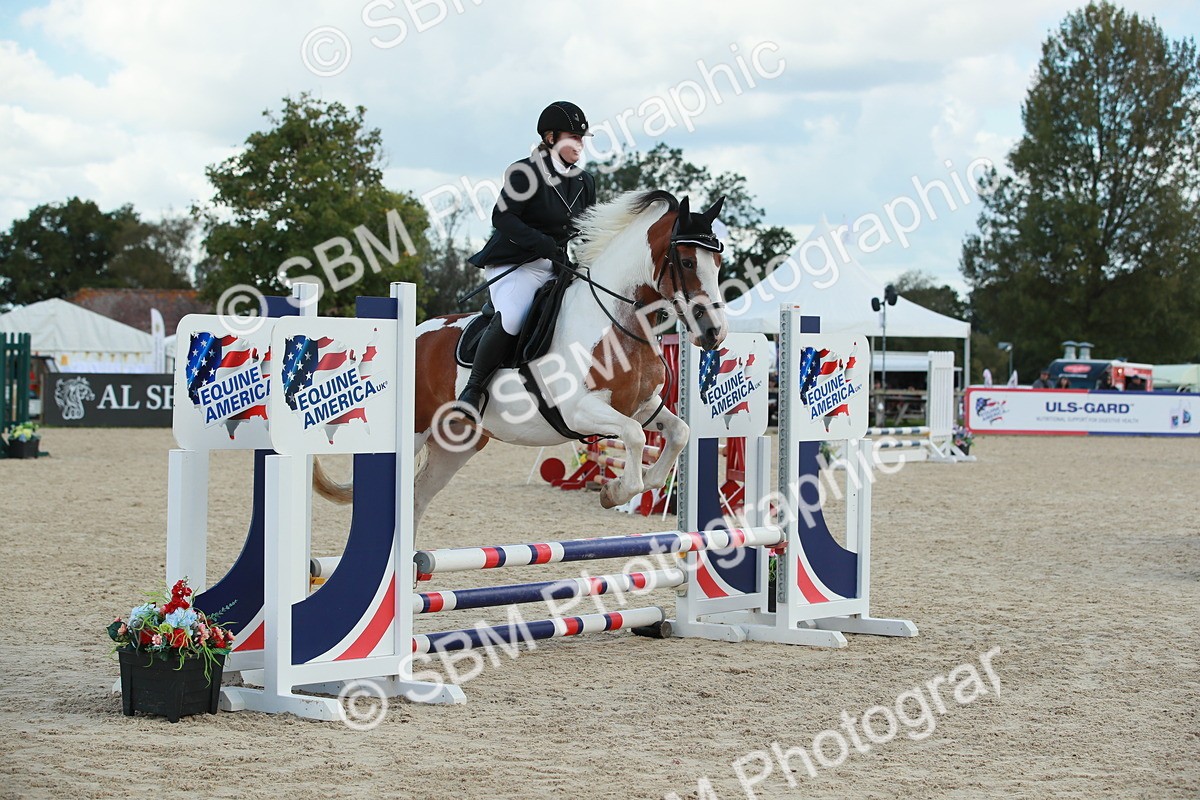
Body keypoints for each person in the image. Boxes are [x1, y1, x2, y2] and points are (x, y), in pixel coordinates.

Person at [455, 101, 597, 419]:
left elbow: (590, 230)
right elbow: (503, 217)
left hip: (556, 265)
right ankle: (473, 389)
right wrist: (541, 242)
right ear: (549, 138)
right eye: (572, 137)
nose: (579, 144)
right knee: (514, 316)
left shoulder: (585, 182)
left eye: (581, 138)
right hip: (514, 263)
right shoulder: (525, 172)